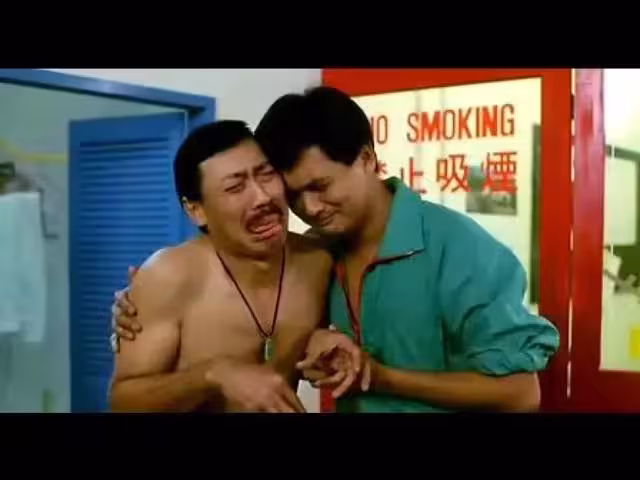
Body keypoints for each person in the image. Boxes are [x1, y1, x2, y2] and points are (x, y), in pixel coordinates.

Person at [113, 87, 560, 413]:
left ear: (367, 159)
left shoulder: (455, 246)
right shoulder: (319, 252)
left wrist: (378, 375)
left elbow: (521, 394)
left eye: (321, 186)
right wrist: (146, 303)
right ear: (195, 209)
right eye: (294, 192)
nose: (308, 208)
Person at [107, 119, 358, 413]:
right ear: (196, 210)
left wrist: (320, 344)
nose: (262, 197)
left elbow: (300, 356)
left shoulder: (318, 262)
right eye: (235, 187)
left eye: (266, 175)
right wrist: (212, 375)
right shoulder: (170, 275)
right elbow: (122, 402)